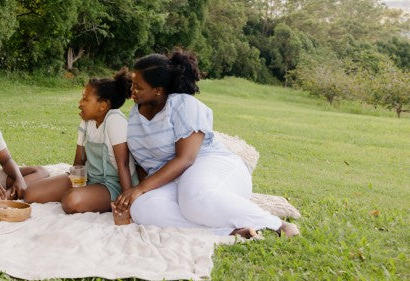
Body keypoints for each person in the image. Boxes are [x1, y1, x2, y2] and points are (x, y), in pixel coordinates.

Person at [113, 50, 299, 238]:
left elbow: (186, 159)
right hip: (173, 181)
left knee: (193, 198)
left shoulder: (183, 105)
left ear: (158, 90)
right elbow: (144, 164)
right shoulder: (136, 113)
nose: (132, 91)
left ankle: (277, 225)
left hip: (212, 167)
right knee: (143, 208)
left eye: (138, 87)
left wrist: (140, 189)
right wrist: (136, 193)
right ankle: (228, 231)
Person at [25, 68, 138, 213]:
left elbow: (123, 166)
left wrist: (127, 200)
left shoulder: (115, 120)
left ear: (102, 105)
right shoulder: (86, 120)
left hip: (113, 184)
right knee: (30, 194)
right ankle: (86, 196)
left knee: (70, 201)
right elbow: (78, 162)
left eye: (85, 99)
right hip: (88, 178)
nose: (80, 103)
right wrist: (74, 183)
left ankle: (88, 197)